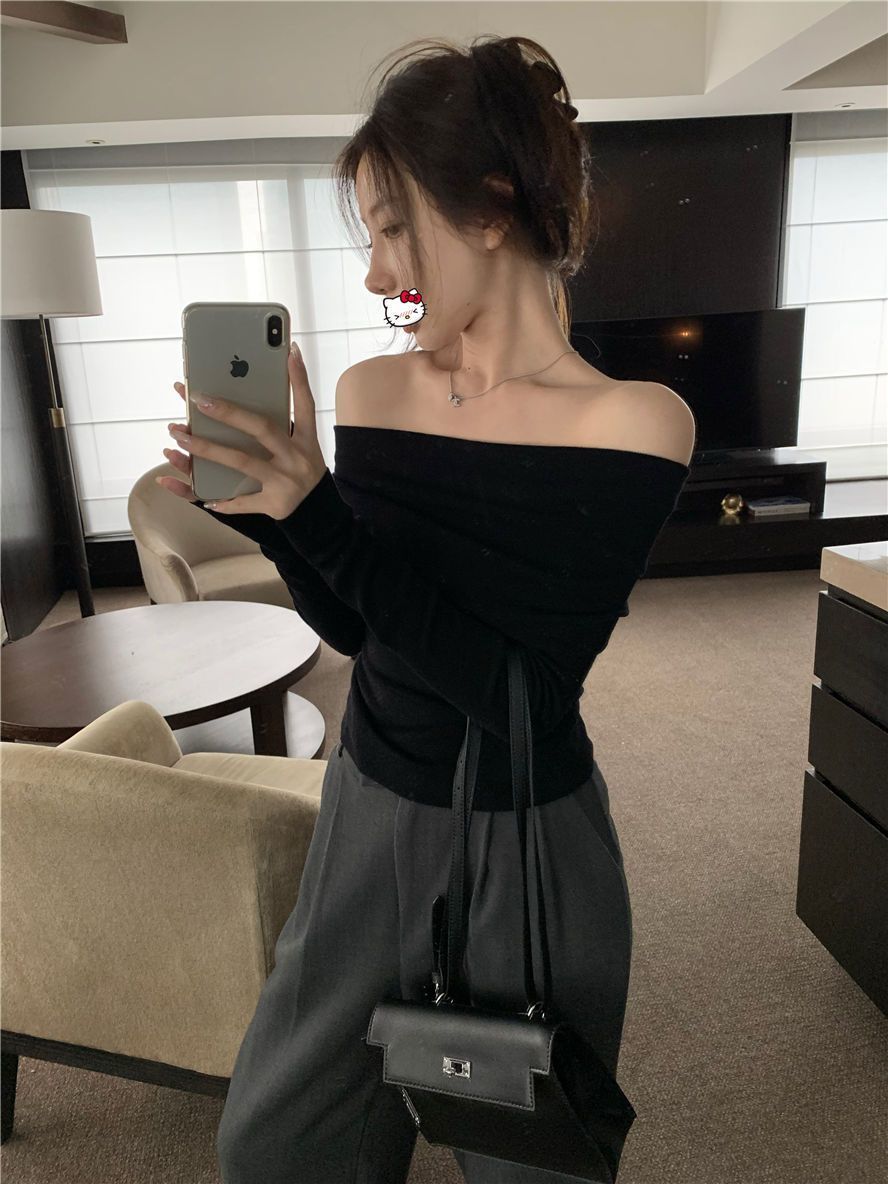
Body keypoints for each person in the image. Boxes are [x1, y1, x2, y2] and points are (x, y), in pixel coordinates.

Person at [160, 33, 695, 1184]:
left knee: (525, 1159)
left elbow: (522, 695)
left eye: (393, 228)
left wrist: (319, 516)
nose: (375, 273)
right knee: (276, 1144)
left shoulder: (637, 421)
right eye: (371, 236)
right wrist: (282, 513)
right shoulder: (374, 391)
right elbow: (363, 630)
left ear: (491, 208)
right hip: (366, 809)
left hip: (524, 840)